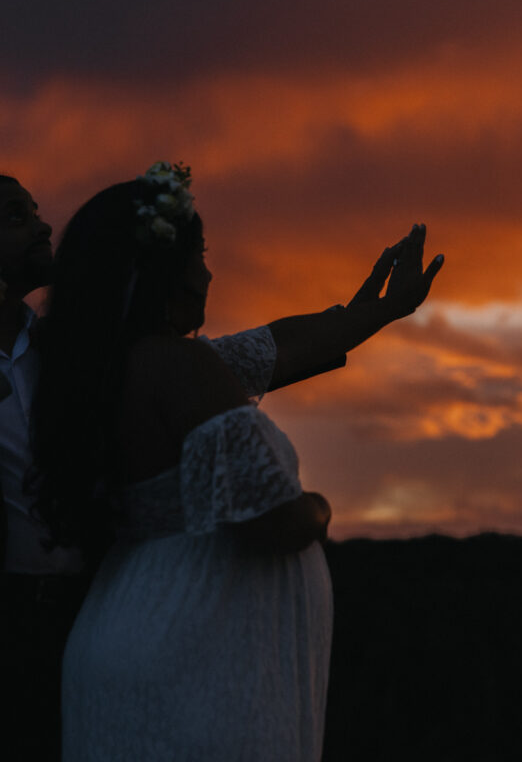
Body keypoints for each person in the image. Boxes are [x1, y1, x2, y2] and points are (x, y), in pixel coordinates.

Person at [31, 162, 444, 761]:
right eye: (198, 255)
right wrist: (318, 509)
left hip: (127, 627)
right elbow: (271, 521)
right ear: (165, 269)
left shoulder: (91, 375)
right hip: (192, 651)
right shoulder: (178, 366)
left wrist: (378, 310)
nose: (208, 273)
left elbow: (280, 346)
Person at [0, 174, 88, 761]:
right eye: (16, 216)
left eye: (34, 212)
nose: (44, 226)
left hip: (91, 611)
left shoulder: (65, 346)